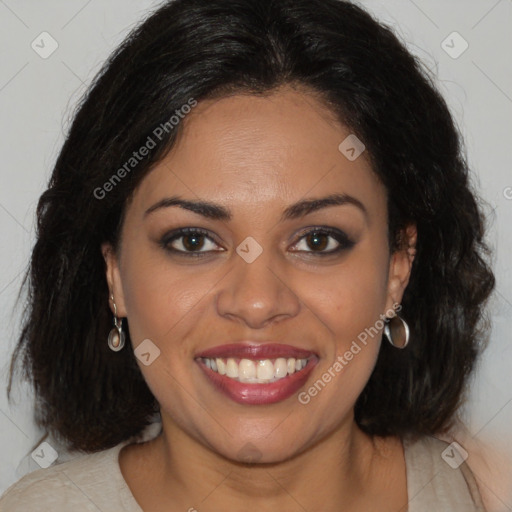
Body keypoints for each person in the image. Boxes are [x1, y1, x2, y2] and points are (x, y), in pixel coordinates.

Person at [0, 0, 496, 510]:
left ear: (398, 269)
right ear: (114, 277)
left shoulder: (482, 490)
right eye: (193, 241)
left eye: (317, 240)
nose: (257, 303)